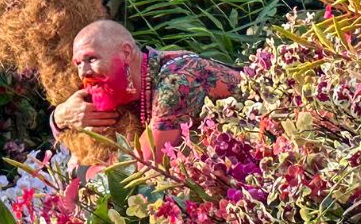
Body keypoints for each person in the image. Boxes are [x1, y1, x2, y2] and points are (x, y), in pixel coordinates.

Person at [50, 19, 241, 162]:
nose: (83, 72)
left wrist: (83, 173)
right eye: (78, 64)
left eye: (91, 59)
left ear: (126, 53)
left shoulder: (175, 82)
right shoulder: (122, 87)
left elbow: (139, 171)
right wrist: (58, 119)